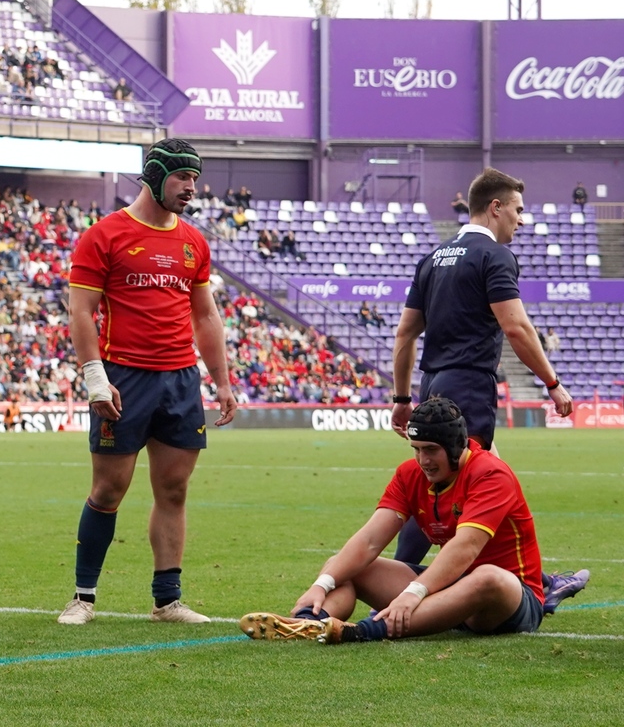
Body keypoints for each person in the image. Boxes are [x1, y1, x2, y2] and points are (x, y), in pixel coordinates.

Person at [57, 138, 239, 626]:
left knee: (174, 490)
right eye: (183, 178)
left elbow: (206, 317)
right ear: (155, 176)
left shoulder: (194, 242)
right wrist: (95, 378)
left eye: (195, 179)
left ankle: (167, 600)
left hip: (180, 380)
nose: (192, 188)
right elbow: (81, 311)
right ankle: (83, 597)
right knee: (109, 489)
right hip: (123, 379)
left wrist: (220, 381)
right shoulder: (104, 235)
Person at [388, 168, 585, 613]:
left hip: (432, 383)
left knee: (483, 477)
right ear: (495, 207)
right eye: (517, 210)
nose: (521, 219)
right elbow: (515, 326)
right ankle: (406, 583)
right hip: (469, 384)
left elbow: (404, 335)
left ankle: (533, 576)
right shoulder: (493, 255)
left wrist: (403, 400)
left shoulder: (433, 257)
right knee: (449, 484)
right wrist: (552, 384)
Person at [240, 398, 546, 645]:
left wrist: (413, 593)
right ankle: (310, 623)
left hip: (511, 599)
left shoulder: (490, 473)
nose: (423, 460)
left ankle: (362, 631)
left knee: (488, 576)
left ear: (455, 447)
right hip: (449, 589)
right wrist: (321, 585)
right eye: (416, 450)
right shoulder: (409, 474)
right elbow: (370, 539)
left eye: (431, 450)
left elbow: (466, 547)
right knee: (345, 565)